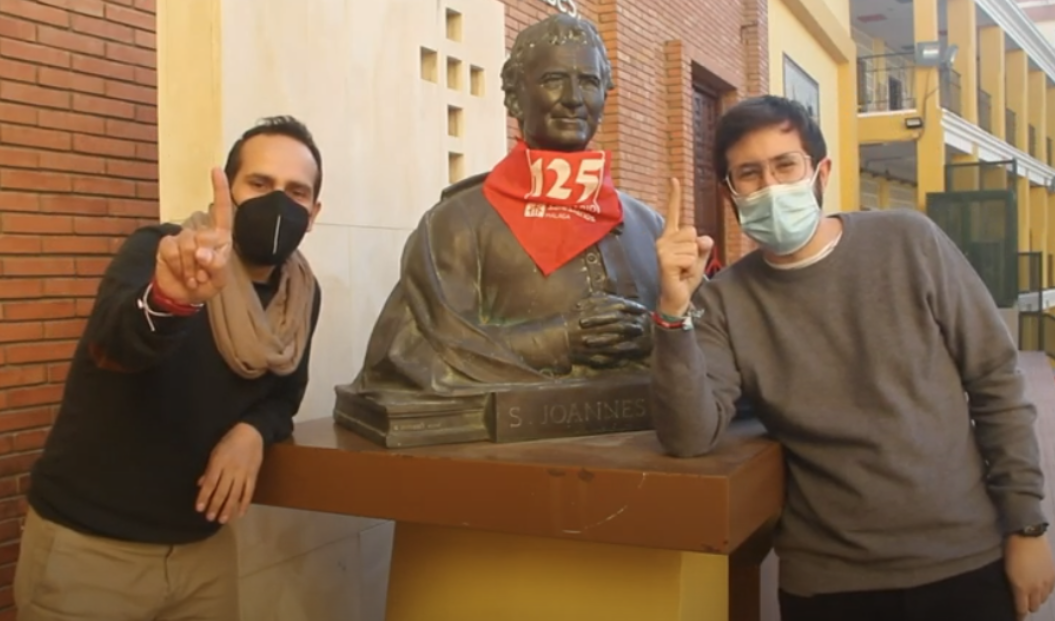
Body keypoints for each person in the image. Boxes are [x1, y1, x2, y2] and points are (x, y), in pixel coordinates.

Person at [650, 95, 1054, 621]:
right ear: (730, 193)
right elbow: (688, 436)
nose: (770, 186)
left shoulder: (909, 241)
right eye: (748, 174)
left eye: (785, 165)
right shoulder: (724, 301)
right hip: (828, 583)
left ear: (821, 172)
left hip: (964, 561)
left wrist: (1027, 525)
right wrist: (673, 311)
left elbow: (995, 379)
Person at [15, 116, 324, 620]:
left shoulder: (300, 295)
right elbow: (115, 345)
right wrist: (169, 301)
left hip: (205, 553)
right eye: (259, 183)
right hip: (93, 551)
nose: (277, 203)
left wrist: (251, 431)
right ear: (228, 191)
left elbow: (283, 396)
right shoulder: (163, 254)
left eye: (296, 192)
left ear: (313, 213)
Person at [338, 13, 664, 446]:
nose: (573, 98)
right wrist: (559, 341)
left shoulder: (649, 225)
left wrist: (654, 334)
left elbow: (708, 343)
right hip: (502, 461)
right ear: (514, 96)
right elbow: (412, 355)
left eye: (588, 81)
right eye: (553, 80)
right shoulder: (456, 223)